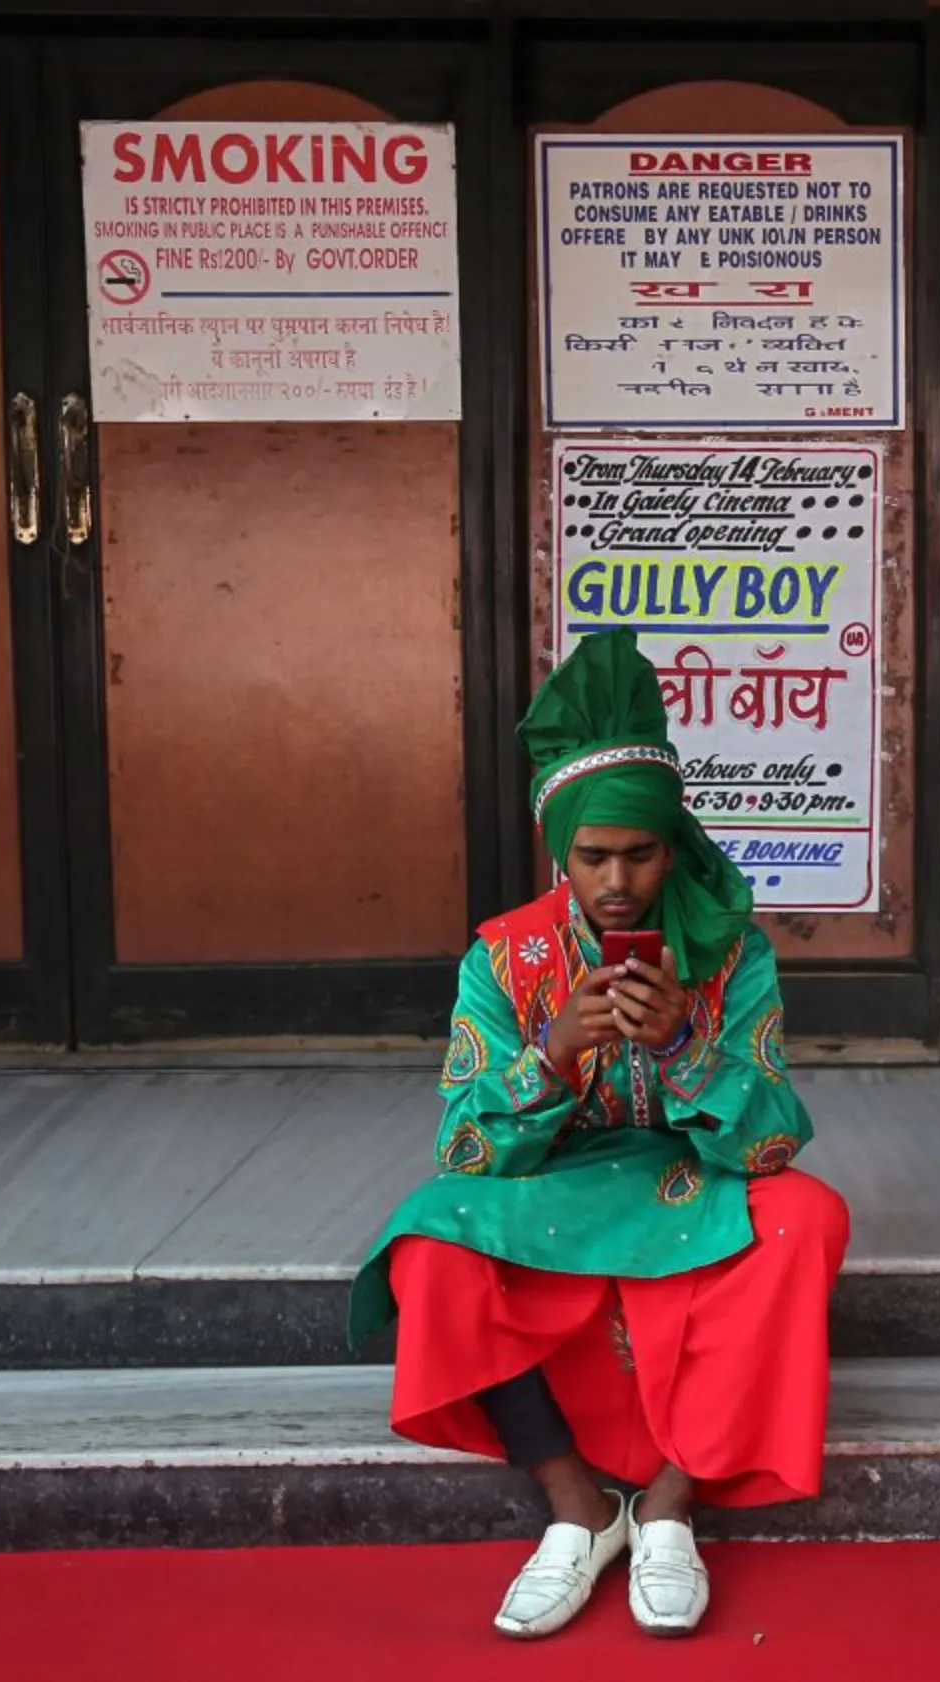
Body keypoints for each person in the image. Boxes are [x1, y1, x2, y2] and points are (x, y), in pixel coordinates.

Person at [350, 627, 850, 1642]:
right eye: (594, 856)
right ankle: (577, 1507)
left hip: (686, 1181)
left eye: (640, 852)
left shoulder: (728, 950)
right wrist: (553, 1054)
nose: (617, 881)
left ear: (673, 848)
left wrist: (681, 1051)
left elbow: (772, 1136)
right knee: (431, 1231)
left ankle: (670, 1502)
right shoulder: (505, 957)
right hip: (558, 1181)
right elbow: (466, 1146)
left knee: (807, 1215)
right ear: (559, 851)